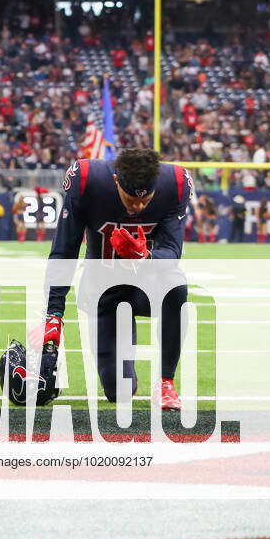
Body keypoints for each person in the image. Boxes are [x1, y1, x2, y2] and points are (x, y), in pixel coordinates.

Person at [41, 148, 192, 409]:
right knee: (119, 391)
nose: (138, 207)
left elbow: (172, 251)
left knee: (176, 286)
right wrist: (54, 312)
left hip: (147, 282)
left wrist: (145, 256)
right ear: (115, 181)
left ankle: (166, 383)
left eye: (145, 201)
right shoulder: (87, 180)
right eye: (130, 199)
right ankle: (122, 352)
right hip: (104, 290)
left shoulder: (174, 184)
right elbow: (65, 248)